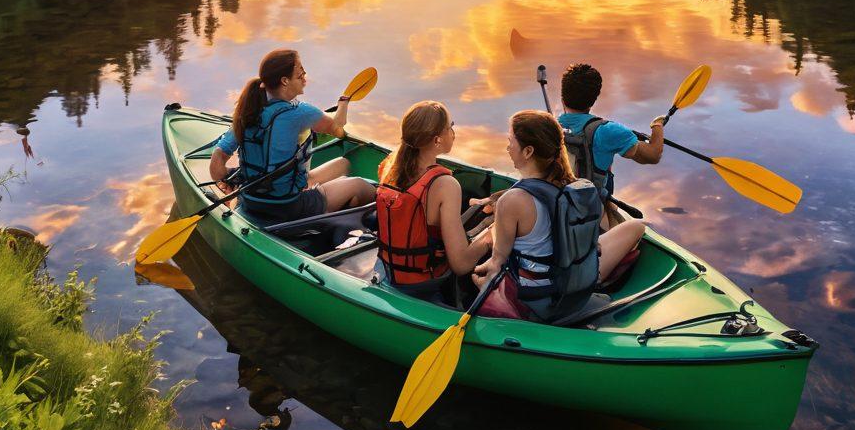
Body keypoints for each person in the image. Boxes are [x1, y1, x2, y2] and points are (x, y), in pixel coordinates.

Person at [473, 110, 646, 322]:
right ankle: (603, 283)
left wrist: (479, 276)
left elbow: (496, 264)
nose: (508, 147)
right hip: (576, 288)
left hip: (537, 300)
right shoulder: (578, 189)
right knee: (636, 226)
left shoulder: (512, 200)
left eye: (510, 141)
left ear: (527, 151)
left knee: (478, 277)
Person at [209, 49, 375, 222]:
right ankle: (331, 222)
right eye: (300, 74)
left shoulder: (247, 112)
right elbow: (338, 126)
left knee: (343, 163)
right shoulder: (301, 112)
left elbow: (217, 160)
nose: (305, 78)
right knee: (361, 186)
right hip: (289, 207)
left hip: (252, 201)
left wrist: (231, 180)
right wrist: (343, 103)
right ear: (285, 81)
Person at [377, 101, 492, 303]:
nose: (453, 132)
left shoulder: (389, 168)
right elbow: (461, 264)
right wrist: (494, 233)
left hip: (389, 269)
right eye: (450, 126)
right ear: (437, 139)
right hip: (423, 283)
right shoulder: (445, 185)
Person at [559, 62, 665, 218]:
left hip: (559, 202)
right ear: (593, 100)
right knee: (638, 228)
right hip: (589, 210)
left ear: (562, 96)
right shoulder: (609, 131)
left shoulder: (549, 125)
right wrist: (657, 125)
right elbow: (653, 155)